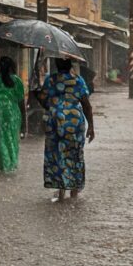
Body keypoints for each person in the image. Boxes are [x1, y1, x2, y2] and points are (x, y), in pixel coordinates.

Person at [36, 60, 94, 202]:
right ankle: (74, 192)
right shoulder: (78, 81)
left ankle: (61, 191)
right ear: (70, 67)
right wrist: (91, 126)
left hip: (54, 121)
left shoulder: (50, 80)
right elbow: (86, 104)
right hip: (74, 122)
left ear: (56, 66)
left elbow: (43, 100)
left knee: (57, 154)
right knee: (75, 154)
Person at [0, 56, 26, 174]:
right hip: (13, 114)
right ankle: (11, 165)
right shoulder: (17, 81)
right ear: (12, 67)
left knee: (1, 141)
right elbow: (22, 104)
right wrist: (24, 124)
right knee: (12, 140)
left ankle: (4, 166)